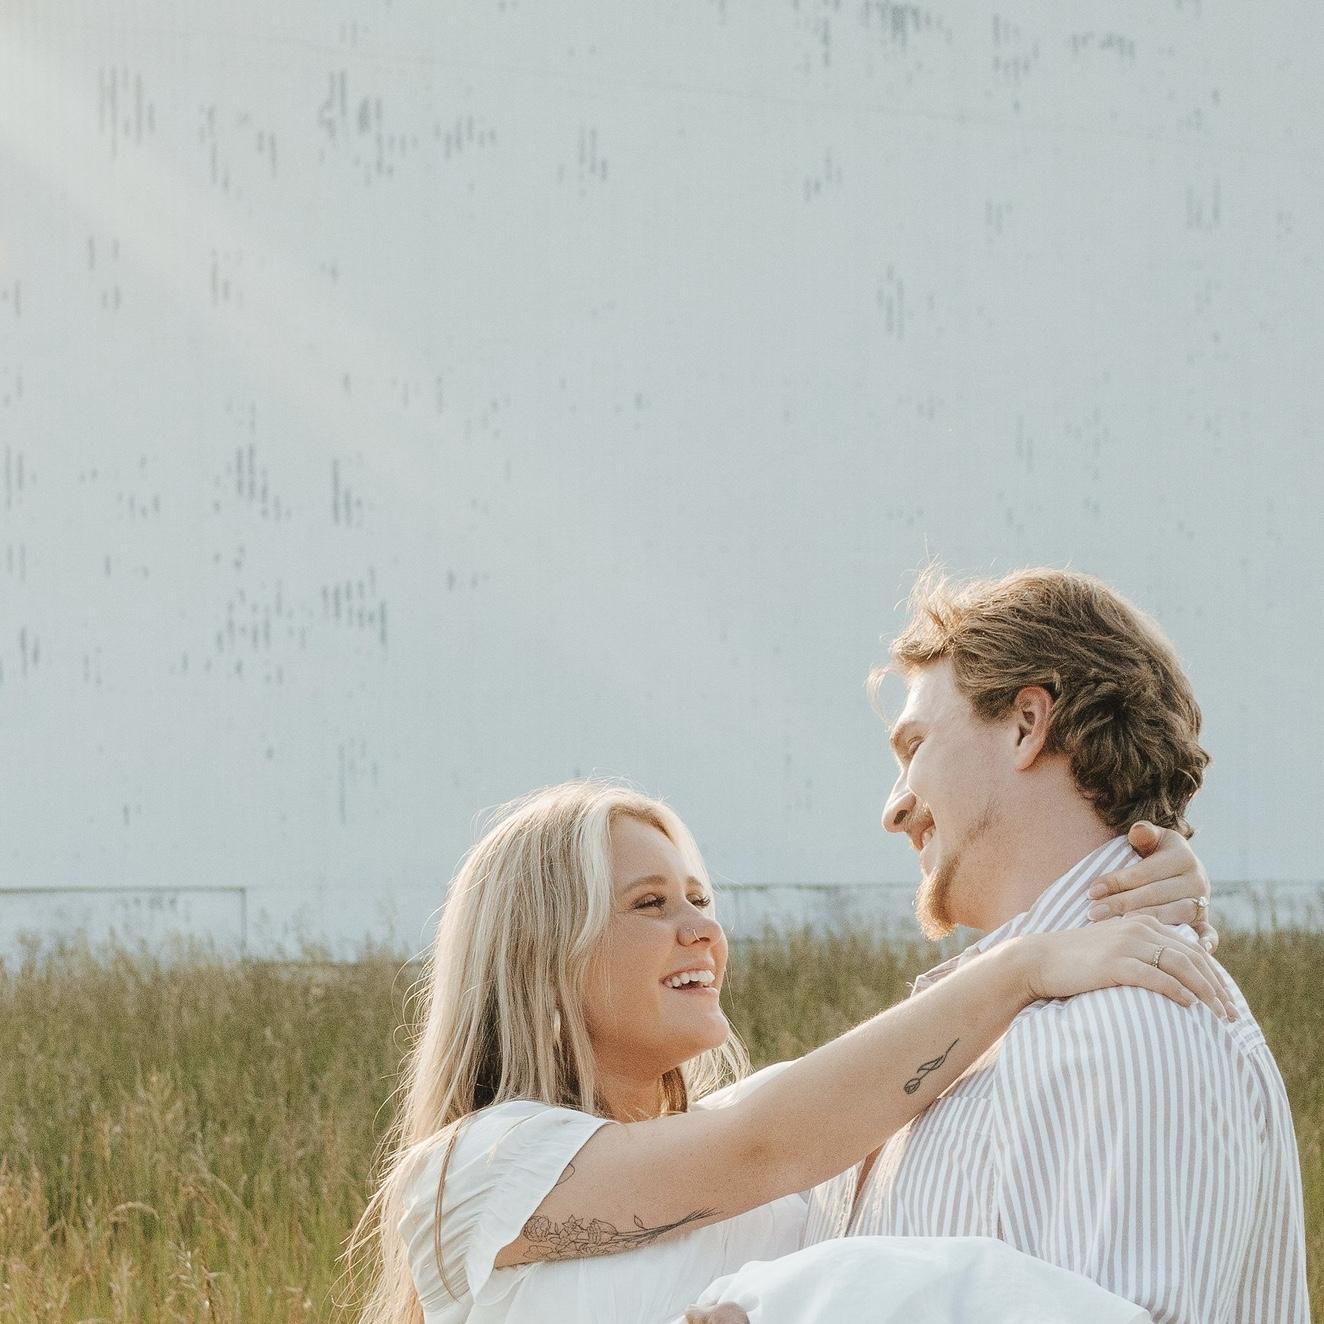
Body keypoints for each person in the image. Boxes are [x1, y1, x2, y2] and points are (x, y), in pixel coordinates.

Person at [343, 774, 1228, 1324]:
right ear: (543, 955)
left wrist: (1128, 888)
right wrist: (1025, 964)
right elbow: (762, 1142)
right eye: (650, 904)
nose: (702, 929)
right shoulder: (469, 1176)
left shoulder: (784, 1152)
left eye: (700, 899)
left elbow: (906, 1097)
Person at [695, 567, 1309, 1324]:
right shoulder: (991, 1029)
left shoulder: (1129, 1021)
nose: (894, 808)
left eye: (915, 746)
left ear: (1027, 724)